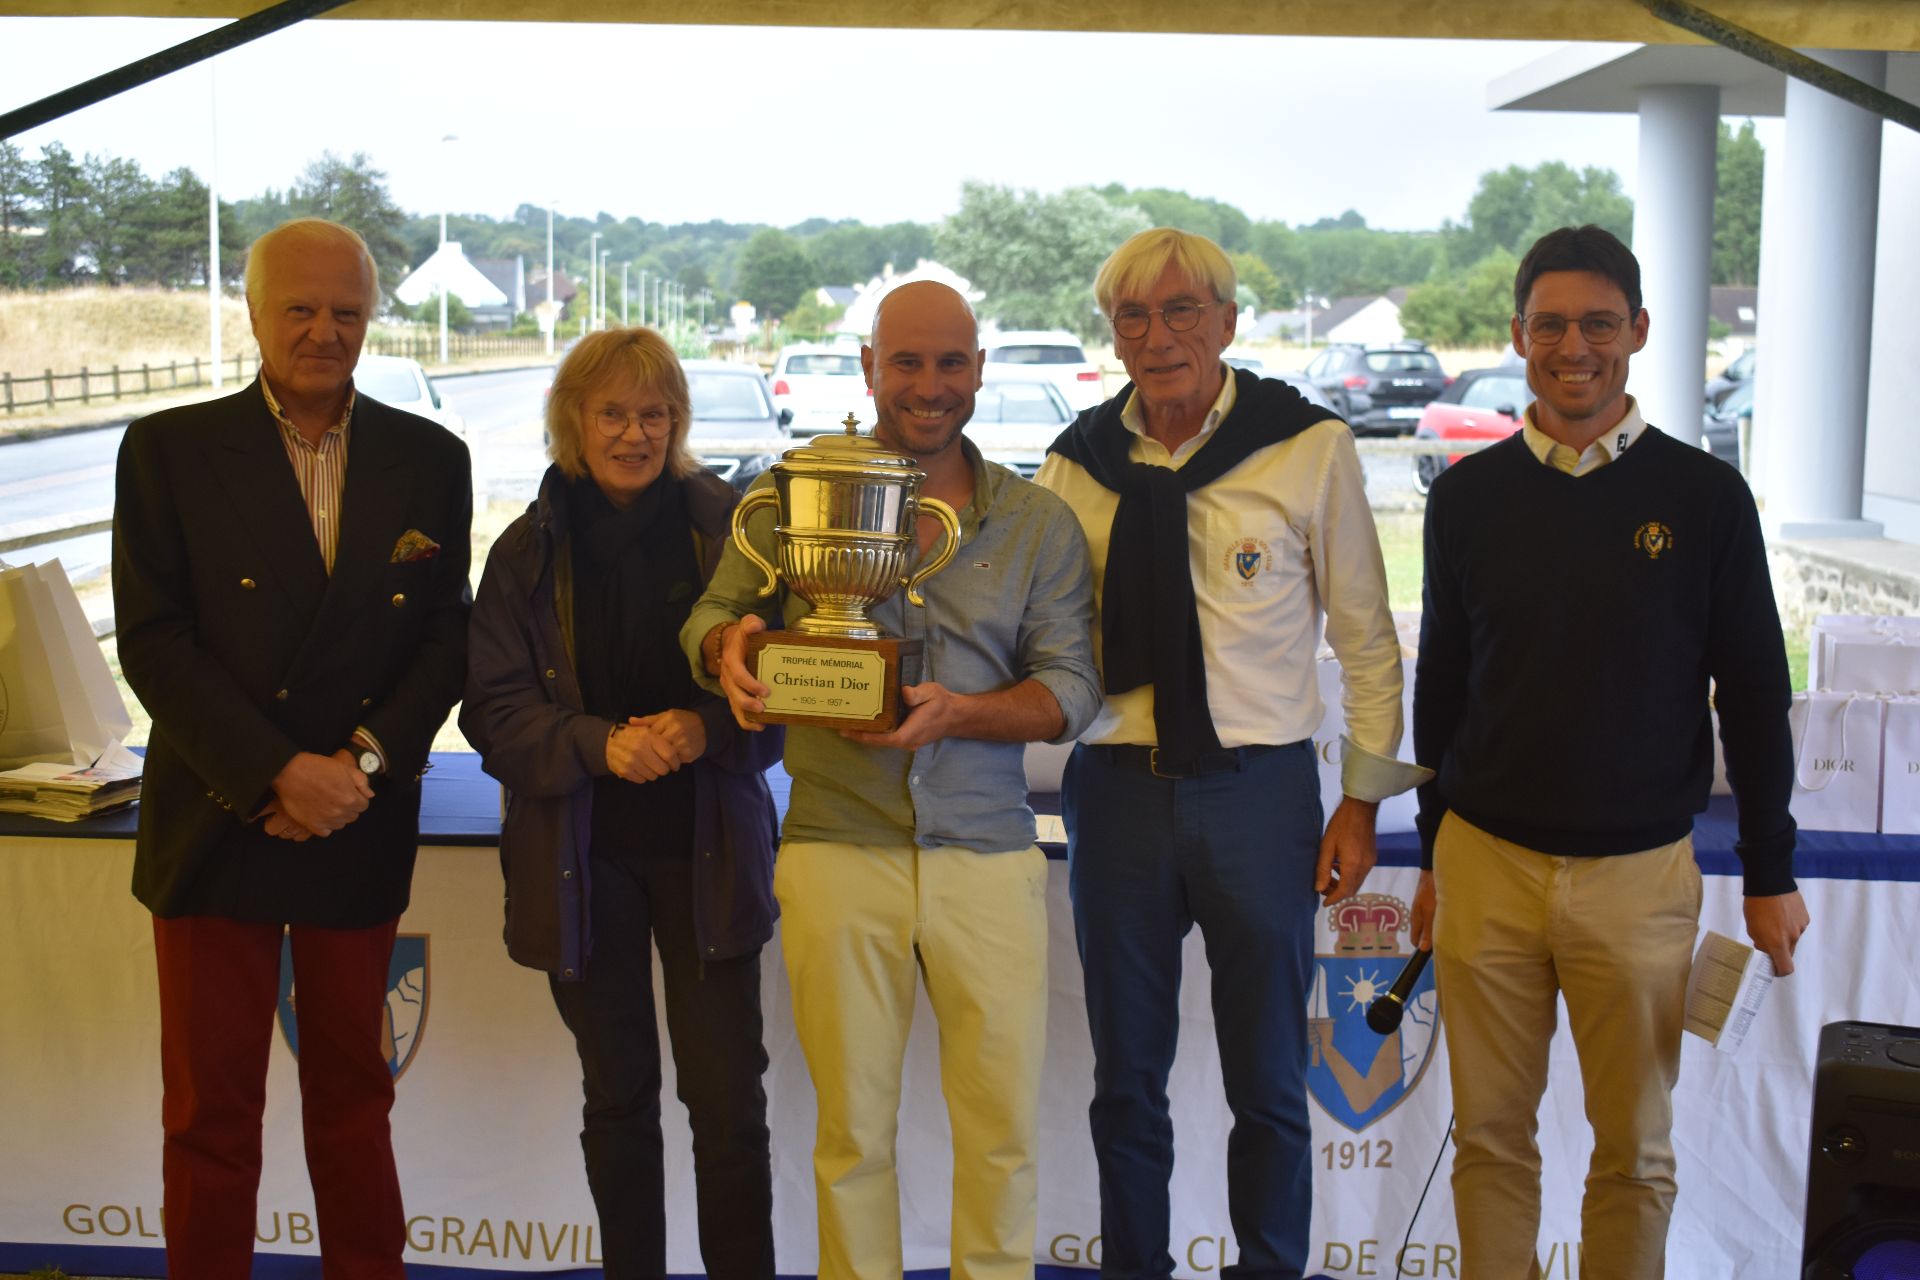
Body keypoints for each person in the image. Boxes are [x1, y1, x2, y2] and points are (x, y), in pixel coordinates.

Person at [1410, 224, 1810, 1277]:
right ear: (1517, 335)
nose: (1573, 347)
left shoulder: (1705, 498)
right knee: (1489, 1140)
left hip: (1638, 876)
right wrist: (1435, 850)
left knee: (1633, 1153)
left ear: (1637, 330)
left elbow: (1755, 694)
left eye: (1597, 324)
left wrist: (1770, 869)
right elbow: (1442, 685)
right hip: (1485, 864)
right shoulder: (1466, 497)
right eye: (1550, 325)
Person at [682, 280, 1101, 1280]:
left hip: (987, 852)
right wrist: (726, 651)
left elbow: (1072, 690)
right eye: (905, 361)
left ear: (979, 370)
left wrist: (961, 713)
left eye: (950, 362)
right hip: (837, 844)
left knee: (1000, 1137)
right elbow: (710, 616)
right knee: (851, 1136)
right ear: (869, 367)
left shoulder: (1035, 521)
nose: (928, 384)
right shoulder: (794, 494)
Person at [1036, 227, 1421, 1279]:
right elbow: (1037, 633)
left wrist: (1360, 804)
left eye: (1183, 312)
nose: (1159, 337)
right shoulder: (1075, 463)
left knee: (1267, 1079)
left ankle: (1269, 1267)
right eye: (1134, 316)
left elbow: (1367, 640)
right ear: (1113, 332)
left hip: (1261, 796)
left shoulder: (1307, 446)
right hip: (1118, 794)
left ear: (1228, 322)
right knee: (1126, 1081)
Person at [111, 217, 472, 1280]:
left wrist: (358, 766)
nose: (324, 331)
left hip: (356, 817)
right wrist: (276, 771)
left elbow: (446, 635)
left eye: (346, 311)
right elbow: (154, 639)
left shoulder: (431, 457)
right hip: (215, 815)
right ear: (255, 313)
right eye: (300, 309)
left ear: (372, 316)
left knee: (355, 1102)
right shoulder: (168, 450)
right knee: (209, 1113)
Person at [460, 327, 781, 1280]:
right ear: (573, 421)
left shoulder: (735, 534)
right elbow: (492, 712)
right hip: (580, 861)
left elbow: (788, 697)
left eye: (654, 414)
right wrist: (598, 744)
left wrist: (707, 728)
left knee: (729, 1108)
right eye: (612, 413)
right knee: (618, 1102)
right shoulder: (525, 550)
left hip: (710, 854)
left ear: (678, 422)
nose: (634, 434)